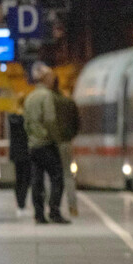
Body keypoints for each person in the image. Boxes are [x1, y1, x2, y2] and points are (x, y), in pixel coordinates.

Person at [23, 63, 71, 225]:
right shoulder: (47, 96)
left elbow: (26, 123)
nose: (53, 80)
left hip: (33, 145)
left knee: (37, 180)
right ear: (45, 79)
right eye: (50, 77)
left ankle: (39, 214)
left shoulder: (30, 97)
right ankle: (54, 211)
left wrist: (32, 138)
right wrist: (57, 138)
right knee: (57, 177)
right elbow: (50, 119)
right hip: (46, 143)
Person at [52, 75, 80, 217]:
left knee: (50, 175)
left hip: (51, 143)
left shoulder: (50, 101)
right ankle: (72, 206)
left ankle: (51, 206)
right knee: (68, 175)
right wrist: (69, 136)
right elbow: (77, 124)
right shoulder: (69, 102)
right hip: (66, 142)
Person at [8, 94, 32, 217]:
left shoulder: (12, 118)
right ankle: (22, 201)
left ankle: (20, 202)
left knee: (18, 178)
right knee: (26, 179)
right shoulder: (27, 118)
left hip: (16, 153)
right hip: (27, 152)